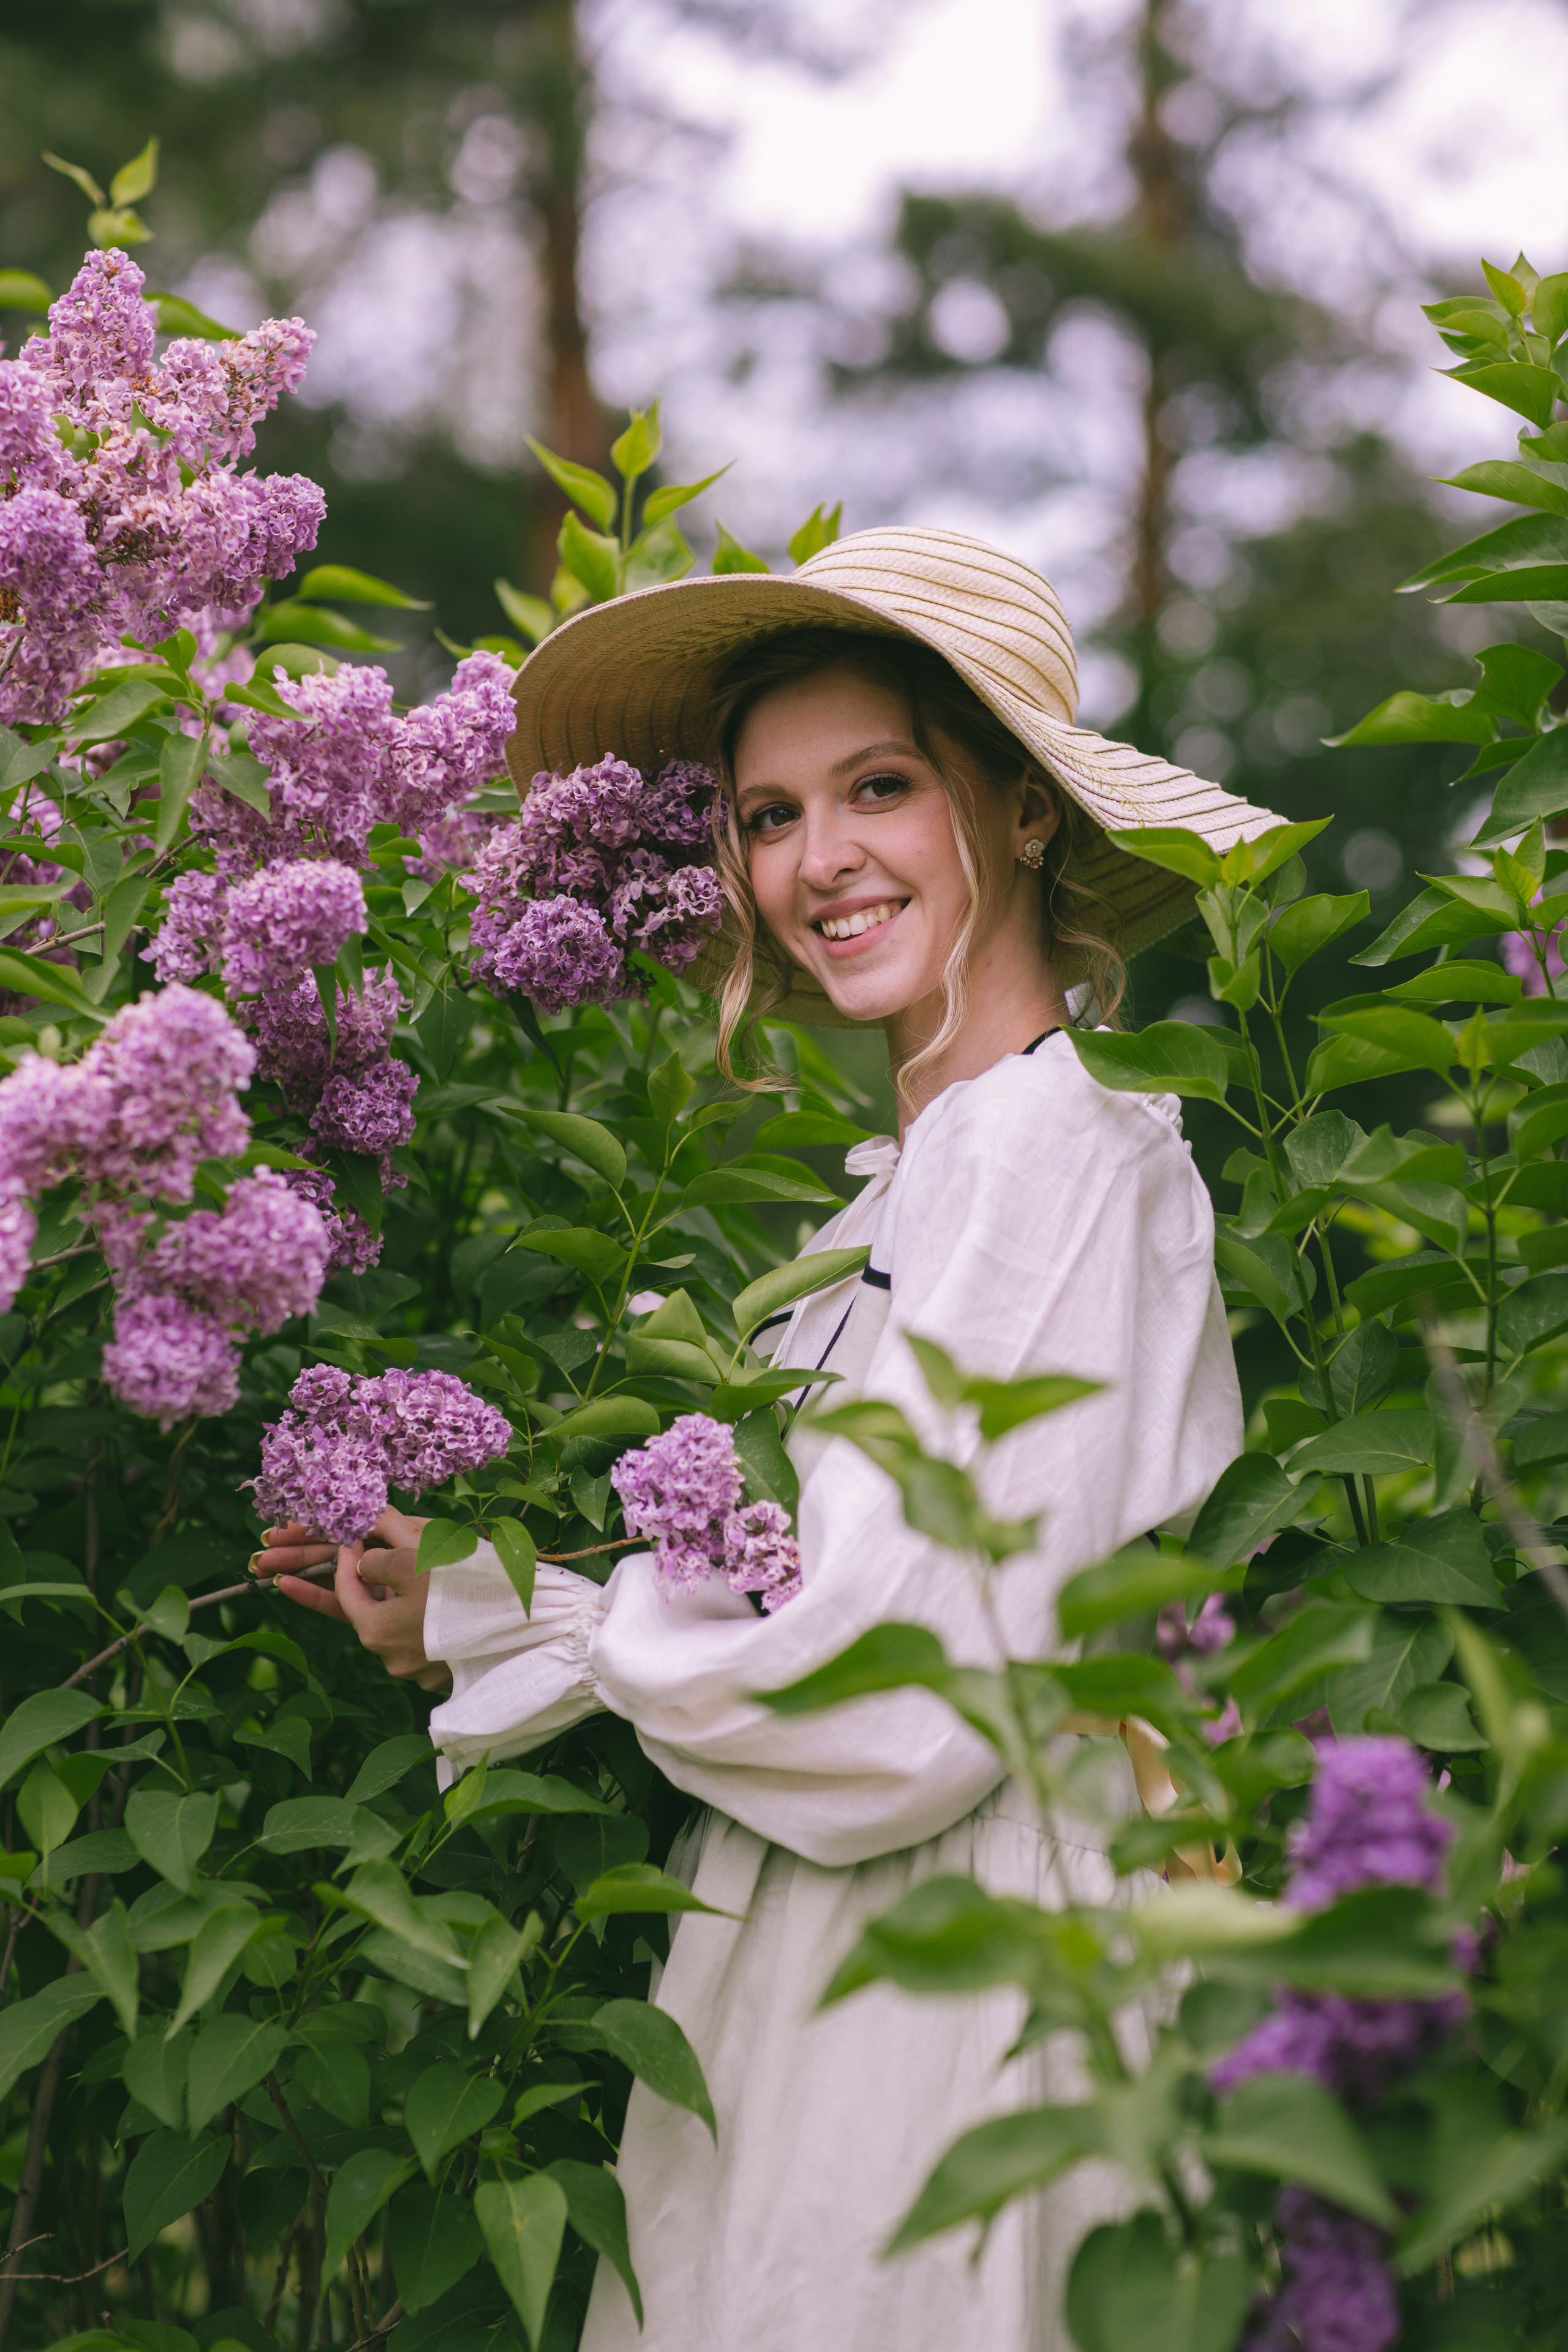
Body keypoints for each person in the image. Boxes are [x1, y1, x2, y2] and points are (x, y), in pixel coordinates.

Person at [251, 527, 1276, 2350]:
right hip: (843, 1931)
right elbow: (841, 1588)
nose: (820, 862)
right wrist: (479, 1611)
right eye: (772, 812)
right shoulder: (921, 1175)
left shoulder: (1052, 1155)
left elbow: (890, 1698)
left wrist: (555, 1636)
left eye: (880, 786)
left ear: (1024, 809)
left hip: (957, 1973)